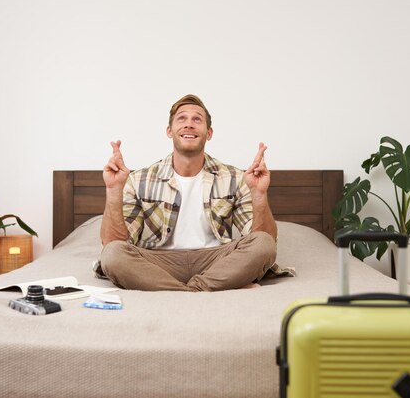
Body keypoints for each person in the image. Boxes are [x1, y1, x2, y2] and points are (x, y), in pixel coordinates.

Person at [99, 94, 279, 291]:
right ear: (169, 131)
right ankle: (204, 288)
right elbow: (114, 243)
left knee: (264, 243)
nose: (189, 124)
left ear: (209, 133)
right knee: (112, 254)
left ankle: (181, 289)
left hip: (217, 259)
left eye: (197, 119)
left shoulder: (235, 177)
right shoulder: (139, 179)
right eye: (182, 118)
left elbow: (265, 239)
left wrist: (260, 194)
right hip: (158, 263)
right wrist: (114, 190)